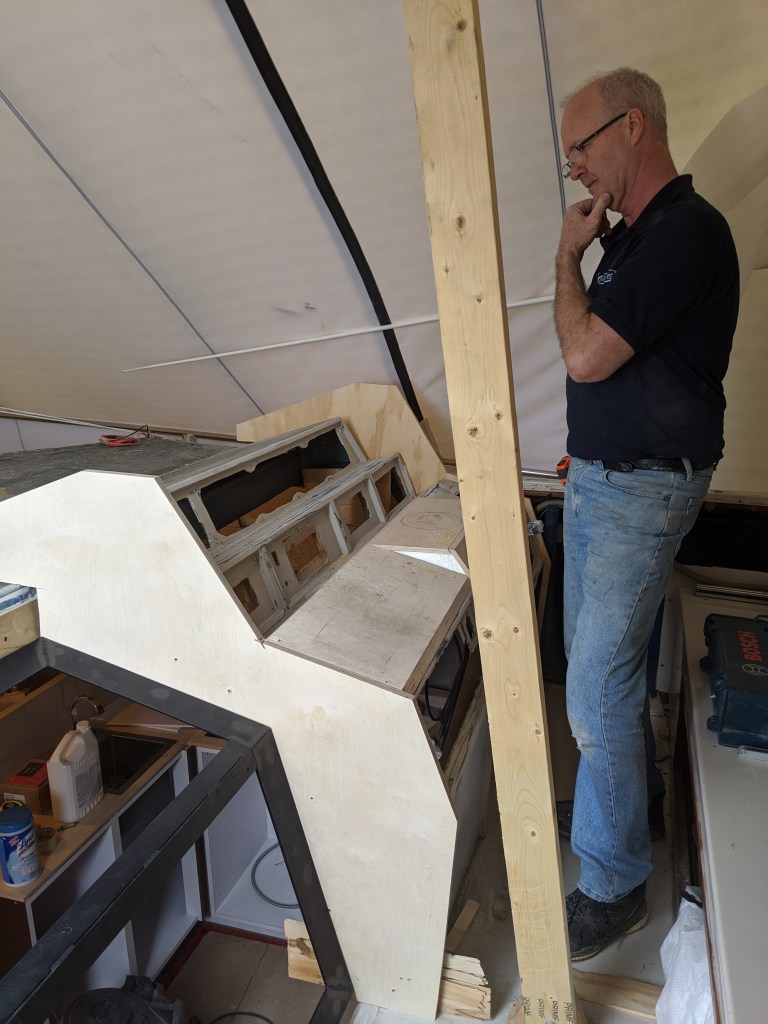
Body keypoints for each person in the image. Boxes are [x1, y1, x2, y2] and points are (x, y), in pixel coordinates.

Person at [553, 68, 739, 961]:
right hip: (602, 481)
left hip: (640, 490)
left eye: (580, 148)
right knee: (599, 678)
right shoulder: (635, 238)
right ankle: (626, 805)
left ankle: (614, 884)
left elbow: (586, 355)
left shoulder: (683, 232)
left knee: (595, 692)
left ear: (632, 126)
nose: (575, 168)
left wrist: (566, 258)